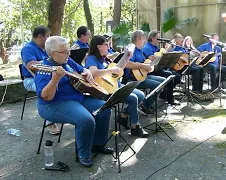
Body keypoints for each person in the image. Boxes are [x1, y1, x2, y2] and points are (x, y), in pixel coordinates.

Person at [35, 36, 113, 168]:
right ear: (53, 54)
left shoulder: (66, 60)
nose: (68, 54)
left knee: (105, 108)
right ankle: (84, 154)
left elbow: (83, 69)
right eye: (65, 51)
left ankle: (98, 144)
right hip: (54, 104)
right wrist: (54, 80)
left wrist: (87, 72)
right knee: (86, 119)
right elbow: (46, 97)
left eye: (68, 50)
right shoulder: (44, 70)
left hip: (77, 98)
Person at [84, 35, 148, 137]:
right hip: (104, 90)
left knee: (140, 95)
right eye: (106, 45)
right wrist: (111, 70)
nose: (109, 47)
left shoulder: (105, 59)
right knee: (133, 98)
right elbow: (94, 72)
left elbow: (117, 72)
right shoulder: (92, 59)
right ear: (98, 46)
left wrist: (126, 59)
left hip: (115, 85)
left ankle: (123, 116)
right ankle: (135, 126)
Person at [20, 25, 60, 135]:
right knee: (50, 88)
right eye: (47, 36)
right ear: (40, 36)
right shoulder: (28, 48)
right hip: (30, 80)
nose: (49, 38)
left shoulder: (45, 49)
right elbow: (31, 65)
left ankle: (64, 111)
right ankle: (50, 121)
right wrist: (48, 62)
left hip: (44, 78)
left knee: (62, 84)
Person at [124, 30, 165, 113]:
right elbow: (127, 64)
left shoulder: (140, 50)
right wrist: (143, 66)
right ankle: (144, 105)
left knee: (163, 81)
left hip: (142, 76)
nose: (145, 41)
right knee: (158, 85)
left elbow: (144, 63)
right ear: (138, 39)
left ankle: (144, 104)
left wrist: (149, 66)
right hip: (133, 79)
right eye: (144, 39)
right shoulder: (131, 49)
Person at [142, 30, 180, 105]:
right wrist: (164, 54)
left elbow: (161, 56)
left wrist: (169, 50)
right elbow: (152, 58)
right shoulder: (147, 47)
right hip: (152, 70)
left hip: (159, 68)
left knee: (177, 76)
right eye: (158, 38)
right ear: (153, 39)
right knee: (170, 75)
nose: (160, 40)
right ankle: (170, 98)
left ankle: (164, 94)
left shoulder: (155, 47)